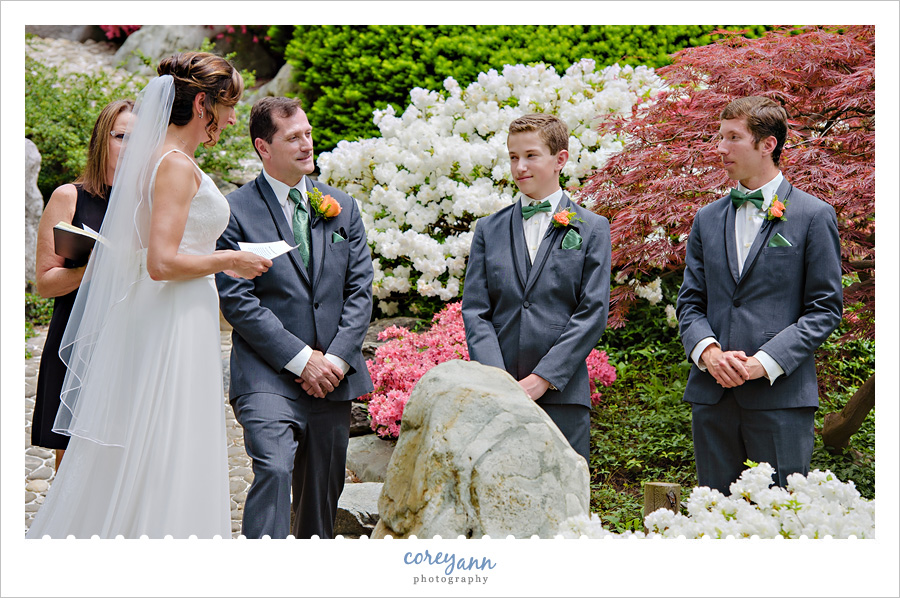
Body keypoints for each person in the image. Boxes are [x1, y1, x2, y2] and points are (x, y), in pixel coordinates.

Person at [26, 52, 271, 539]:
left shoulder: (155, 161)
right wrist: (230, 260)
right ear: (202, 102)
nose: (230, 118)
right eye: (228, 106)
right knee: (169, 437)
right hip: (173, 315)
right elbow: (161, 263)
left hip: (174, 313)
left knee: (158, 438)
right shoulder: (174, 165)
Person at [216, 97, 374, 539]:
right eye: (293, 138)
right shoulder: (234, 212)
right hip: (267, 373)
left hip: (335, 376)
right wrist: (302, 359)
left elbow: (360, 292)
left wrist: (336, 361)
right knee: (274, 467)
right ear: (263, 147)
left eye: (307, 133)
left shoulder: (343, 208)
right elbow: (238, 300)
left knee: (322, 494)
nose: (307, 144)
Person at [676, 96, 843, 495]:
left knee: (779, 523)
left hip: (780, 400)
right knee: (713, 521)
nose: (720, 148)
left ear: (767, 144)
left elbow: (824, 309)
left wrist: (762, 364)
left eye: (733, 137)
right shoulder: (707, 218)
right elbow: (690, 302)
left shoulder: (813, 216)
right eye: (720, 137)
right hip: (712, 399)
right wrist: (709, 353)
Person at [461, 113, 611, 463]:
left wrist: (543, 378)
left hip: (562, 394)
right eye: (513, 157)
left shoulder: (592, 229)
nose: (519, 167)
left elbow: (592, 313)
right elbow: (476, 311)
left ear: (560, 159)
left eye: (530, 155)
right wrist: (498, 382)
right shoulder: (488, 229)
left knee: (565, 507)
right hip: (498, 398)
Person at [31, 99, 134, 470]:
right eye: (123, 137)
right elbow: (45, 283)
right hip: (78, 339)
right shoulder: (69, 197)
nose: (130, 148)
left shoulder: (150, 203)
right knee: (73, 456)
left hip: (134, 338)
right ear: (101, 140)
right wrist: (94, 270)